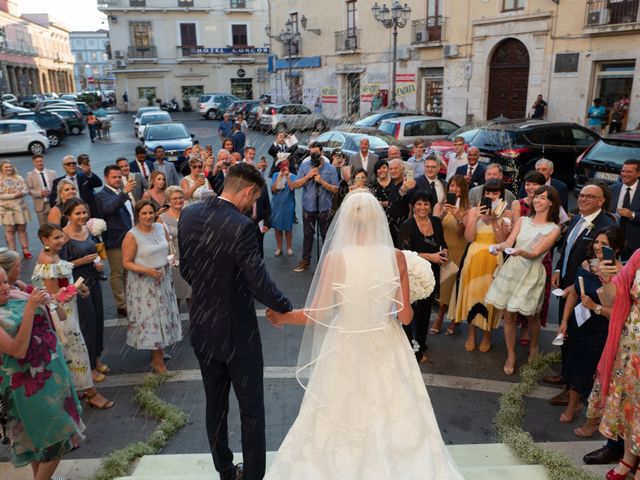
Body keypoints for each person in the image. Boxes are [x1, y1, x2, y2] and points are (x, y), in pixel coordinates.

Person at [263, 190, 465, 480]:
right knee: (394, 410)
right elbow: (405, 316)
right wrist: (414, 293)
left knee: (338, 410)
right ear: (378, 221)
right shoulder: (396, 257)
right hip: (387, 342)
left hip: (345, 343)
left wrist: (282, 316)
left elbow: (317, 314)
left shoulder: (335, 258)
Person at [178, 163, 293, 480]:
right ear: (249, 192)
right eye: (254, 199)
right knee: (251, 411)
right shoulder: (241, 226)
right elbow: (259, 283)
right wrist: (284, 306)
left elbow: (186, 269)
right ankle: (253, 475)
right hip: (237, 335)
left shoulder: (189, 215)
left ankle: (226, 471)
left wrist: (212, 292)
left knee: (215, 405)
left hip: (202, 328)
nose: (252, 206)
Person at [0, 268, 85, 480]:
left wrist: (50, 301)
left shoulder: (16, 293)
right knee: (57, 439)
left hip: (51, 374)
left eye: (5, 281)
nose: (5, 287)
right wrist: (30, 308)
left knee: (39, 442)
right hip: (27, 385)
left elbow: (58, 317)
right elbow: (17, 350)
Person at [32, 223, 113, 409]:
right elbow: (56, 297)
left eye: (61, 236)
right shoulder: (46, 260)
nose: (61, 241)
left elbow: (63, 281)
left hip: (69, 310)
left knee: (73, 351)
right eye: (56, 238)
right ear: (45, 240)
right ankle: (91, 393)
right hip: (61, 316)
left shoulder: (53, 255)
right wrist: (75, 289)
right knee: (77, 351)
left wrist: (79, 287)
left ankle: (77, 389)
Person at [548, 183, 615, 405]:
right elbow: (566, 248)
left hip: (588, 292)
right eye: (582, 195)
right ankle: (565, 374)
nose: (583, 199)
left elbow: (606, 259)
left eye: (590, 196)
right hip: (567, 283)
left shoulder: (605, 225)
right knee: (565, 331)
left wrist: (580, 287)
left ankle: (574, 388)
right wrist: (559, 269)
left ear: (601, 200)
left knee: (579, 341)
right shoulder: (577, 218)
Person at [486, 186, 561, 375]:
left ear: (551, 202)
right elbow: (508, 243)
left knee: (532, 315)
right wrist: (497, 247)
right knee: (508, 314)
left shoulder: (554, 229)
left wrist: (521, 252)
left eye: (543, 197)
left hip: (532, 272)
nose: (537, 200)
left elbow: (536, 253)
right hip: (513, 269)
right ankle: (511, 355)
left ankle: (534, 346)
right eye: (537, 197)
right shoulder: (522, 220)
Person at [556, 226, 623, 436]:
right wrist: (564, 321)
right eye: (596, 242)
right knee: (575, 362)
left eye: (605, 244)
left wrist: (596, 306)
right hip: (579, 323)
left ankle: (592, 420)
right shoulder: (586, 264)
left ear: (616, 249)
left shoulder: (620, 273)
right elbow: (575, 294)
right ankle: (573, 406)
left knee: (594, 373)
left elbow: (618, 311)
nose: (598, 247)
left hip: (601, 329)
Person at [584, 249, 640, 480]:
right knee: (628, 403)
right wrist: (607, 278)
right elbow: (612, 298)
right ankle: (628, 459)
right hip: (628, 347)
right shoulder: (638, 256)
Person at [450, 179, 511, 353]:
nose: (491, 196)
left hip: (493, 258)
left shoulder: (505, 214)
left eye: (495, 193)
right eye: (488, 193)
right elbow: (468, 238)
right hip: (474, 254)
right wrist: (475, 218)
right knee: (471, 294)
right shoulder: (473, 211)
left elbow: (503, 242)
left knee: (488, 297)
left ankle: (486, 335)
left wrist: (494, 221)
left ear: (501, 194)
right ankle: (471, 333)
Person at [122, 200, 182, 374]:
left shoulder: (160, 227)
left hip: (163, 278)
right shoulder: (131, 235)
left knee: (164, 317)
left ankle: (160, 350)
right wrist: (147, 270)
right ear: (137, 215)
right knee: (152, 320)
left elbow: (167, 246)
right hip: (144, 284)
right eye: (144, 213)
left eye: (150, 213)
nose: (148, 216)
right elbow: (126, 263)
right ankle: (157, 362)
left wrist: (170, 260)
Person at [60, 198, 108, 382]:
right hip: (79, 286)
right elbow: (61, 266)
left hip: (94, 281)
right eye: (77, 213)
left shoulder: (89, 230)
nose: (82, 216)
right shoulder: (63, 237)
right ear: (68, 215)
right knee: (87, 325)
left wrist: (99, 263)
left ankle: (96, 359)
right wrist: (81, 261)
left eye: (84, 212)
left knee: (98, 321)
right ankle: (88, 367)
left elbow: (96, 251)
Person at [399, 189, 447, 363]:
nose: (422, 207)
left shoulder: (436, 222)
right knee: (413, 313)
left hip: (432, 273)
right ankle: (413, 350)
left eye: (426, 203)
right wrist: (431, 257)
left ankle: (421, 342)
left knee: (426, 311)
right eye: (418, 203)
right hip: (413, 275)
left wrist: (443, 251)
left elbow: (442, 242)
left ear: (430, 206)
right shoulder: (407, 226)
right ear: (413, 206)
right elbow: (404, 254)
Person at [511, 171, 550, 345]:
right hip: (520, 256)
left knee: (535, 298)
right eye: (527, 184)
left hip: (541, 258)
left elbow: (560, 226)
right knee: (519, 294)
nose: (530, 187)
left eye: (534, 184)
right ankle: (521, 327)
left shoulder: (551, 205)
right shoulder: (518, 204)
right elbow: (514, 232)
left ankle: (529, 329)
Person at [291, 142, 339, 272]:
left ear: (322, 152)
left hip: (324, 208)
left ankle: (327, 261)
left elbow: (335, 189)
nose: (314, 156)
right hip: (308, 206)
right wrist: (308, 176)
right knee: (308, 234)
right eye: (311, 154)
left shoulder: (330, 169)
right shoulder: (305, 166)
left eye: (316, 153)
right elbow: (296, 185)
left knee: (325, 235)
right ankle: (305, 260)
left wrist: (322, 181)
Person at [95, 165, 136, 318]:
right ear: (106, 178)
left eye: (119, 177)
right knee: (117, 273)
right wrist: (124, 193)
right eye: (114, 177)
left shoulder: (121, 192)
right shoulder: (102, 195)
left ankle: (130, 300)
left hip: (130, 238)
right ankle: (121, 305)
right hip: (115, 241)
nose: (118, 179)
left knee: (128, 272)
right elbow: (109, 209)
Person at [433, 175, 470, 335]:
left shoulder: (468, 209)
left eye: (457, 186)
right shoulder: (440, 205)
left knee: (458, 286)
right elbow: (434, 229)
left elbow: (463, 233)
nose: (454, 189)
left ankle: (454, 320)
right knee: (445, 284)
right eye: (452, 186)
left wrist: (458, 216)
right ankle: (440, 317)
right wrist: (441, 215)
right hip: (445, 249)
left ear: (463, 189)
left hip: (460, 250)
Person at [158, 186, 191, 307]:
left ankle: (195, 324)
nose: (178, 200)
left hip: (190, 259)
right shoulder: (161, 219)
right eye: (175, 198)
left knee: (192, 295)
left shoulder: (190, 213)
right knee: (173, 297)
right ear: (168, 201)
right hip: (172, 260)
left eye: (181, 197)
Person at [608, 159, 640, 260]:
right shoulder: (611, 189)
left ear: (638, 173)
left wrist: (632, 214)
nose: (624, 174)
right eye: (623, 171)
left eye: (629, 171)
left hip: (634, 242)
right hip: (611, 240)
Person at [0, 160, 32, 259]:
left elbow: (26, 189)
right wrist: (14, 195)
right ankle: (13, 253)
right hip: (7, 209)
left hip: (20, 207)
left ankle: (26, 250)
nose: (9, 168)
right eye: (6, 167)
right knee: (10, 231)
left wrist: (22, 193)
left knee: (22, 229)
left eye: (10, 167)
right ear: (1, 168)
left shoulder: (19, 177)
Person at [271, 154, 297, 257]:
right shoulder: (275, 175)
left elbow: (292, 188)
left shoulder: (293, 176)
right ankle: (279, 248)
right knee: (277, 227)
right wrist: (279, 177)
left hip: (288, 203)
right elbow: (273, 189)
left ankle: (289, 248)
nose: (285, 166)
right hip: (277, 203)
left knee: (288, 227)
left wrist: (287, 176)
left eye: (287, 164)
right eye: (283, 164)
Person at [387, 159, 415, 246]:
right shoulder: (392, 184)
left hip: (402, 230)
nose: (393, 171)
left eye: (396, 168)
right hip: (390, 229)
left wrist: (403, 190)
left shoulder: (409, 185)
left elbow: (412, 209)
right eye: (391, 169)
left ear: (403, 169)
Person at [26, 154, 56, 226]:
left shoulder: (52, 173)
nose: (40, 163)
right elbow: (28, 190)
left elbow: (57, 185)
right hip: (41, 205)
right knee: (44, 227)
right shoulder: (30, 175)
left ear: (43, 161)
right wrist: (40, 193)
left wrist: (52, 192)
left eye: (41, 161)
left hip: (53, 203)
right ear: (34, 162)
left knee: (56, 225)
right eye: (37, 161)